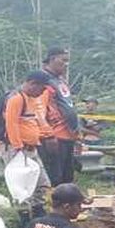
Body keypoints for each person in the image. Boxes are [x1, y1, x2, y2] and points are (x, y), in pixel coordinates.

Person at [4, 72, 55, 217]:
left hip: (31, 149)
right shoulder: (16, 99)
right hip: (19, 150)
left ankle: (39, 212)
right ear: (33, 84)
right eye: (42, 89)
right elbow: (11, 123)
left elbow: (31, 123)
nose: (42, 93)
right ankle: (24, 217)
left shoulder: (32, 100)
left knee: (42, 183)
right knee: (22, 187)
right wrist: (18, 147)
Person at [40, 47, 79, 185]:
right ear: (52, 59)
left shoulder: (60, 81)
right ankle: (53, 205)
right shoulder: (43, 81)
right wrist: (48, 135)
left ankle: (66, 205)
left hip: (68, 136)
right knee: (55, 179)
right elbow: (40, 112)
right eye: (63, 60)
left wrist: (77, 135)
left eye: (67, 61)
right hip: (54, 138)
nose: (66, 64)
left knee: (67, 178)